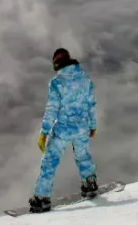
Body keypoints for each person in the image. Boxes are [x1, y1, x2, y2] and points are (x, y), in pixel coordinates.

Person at [28, 48, 99, 213]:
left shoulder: (57, 83)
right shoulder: (85, 79)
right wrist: (93, 125)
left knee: (50, 163)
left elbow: (52, 109)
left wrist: (44, 133)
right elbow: (91, 104)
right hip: (82, 127)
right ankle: (90, 185)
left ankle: (42, 198)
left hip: (63, 129)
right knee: (83, 157)